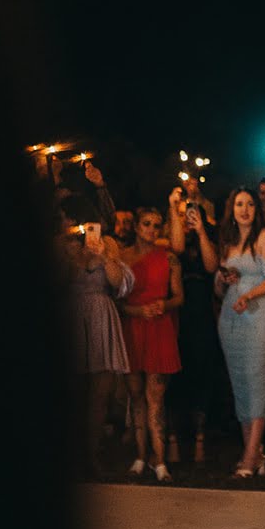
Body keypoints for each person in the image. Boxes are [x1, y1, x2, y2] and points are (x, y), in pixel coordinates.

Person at [210, 187, 265, 478]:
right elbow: (218, 288)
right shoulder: (228, 242)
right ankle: (255, 452)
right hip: (230, 318)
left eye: (250, 204)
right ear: (232, 208)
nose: (245, 209)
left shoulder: (264, 238)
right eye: (239, 204)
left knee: (256, 380)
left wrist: (249, 295)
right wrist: (224, 280)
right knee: (240, 384)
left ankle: (250, 457)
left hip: (260, 317)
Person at [62, 198, 135, 474]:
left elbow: (120, 285)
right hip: (72, 314)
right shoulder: (62, 245)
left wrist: (104, 256)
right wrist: (71, 256)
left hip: (101, 314)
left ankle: (92, 456)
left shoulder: (108, 243)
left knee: (100, 393)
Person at [118, 207, 183, 482]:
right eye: (146, 224)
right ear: (137, 227)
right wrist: (136, 311)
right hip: (133, 327)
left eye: (156, 226)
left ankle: (159, 461)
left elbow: (179, 296)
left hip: (158, 327)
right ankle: (140, 456)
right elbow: (116, 300)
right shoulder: (122, 258)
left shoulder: (169, 258)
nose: (151, 230)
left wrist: (163, 304)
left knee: (155, 398)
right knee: (135, 396)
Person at [166, 181, 223, 463]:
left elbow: (212, 266)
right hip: (178, 312)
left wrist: (200, 230)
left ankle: (200, 438)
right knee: (177, 375)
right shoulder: (173, 239)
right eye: (185, 215)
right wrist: (173, 210)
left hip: (201, 312)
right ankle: (175, 439)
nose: (189, 218)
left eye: (193, 214)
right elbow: (176, 248)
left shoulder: (207, 237)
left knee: (202, 371)